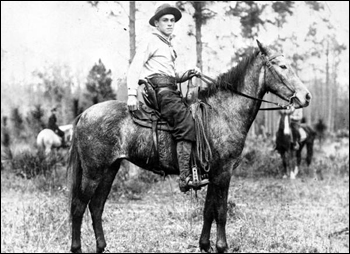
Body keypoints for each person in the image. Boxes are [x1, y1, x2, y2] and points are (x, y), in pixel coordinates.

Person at [126, 3, 204, 193]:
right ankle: (185, 177)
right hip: (160, 92)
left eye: (172, 20)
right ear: (157, 23)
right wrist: (131, 93)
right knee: (186, 124)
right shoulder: (150, 40)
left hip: (169, 89)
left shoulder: (167, 44)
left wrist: (188, 73)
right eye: (165, 20)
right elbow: (136, 65)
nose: (170, 24)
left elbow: (170, 75)